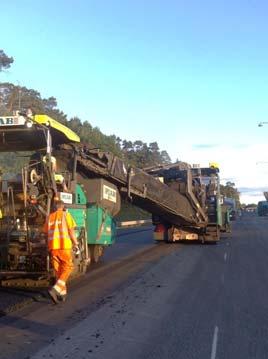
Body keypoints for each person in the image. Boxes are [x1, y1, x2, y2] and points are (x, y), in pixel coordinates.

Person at [43, 200, 79, 303]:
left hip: (53, 248)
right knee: (68, 267)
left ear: (54, 207)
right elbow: (71, 232)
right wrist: (76, 244)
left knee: (59, 271)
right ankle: (56, 290)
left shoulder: (50, 217)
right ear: (63, 207)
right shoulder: (66, 215)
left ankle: (62, 294)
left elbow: (45, 232)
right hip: (64, 247)